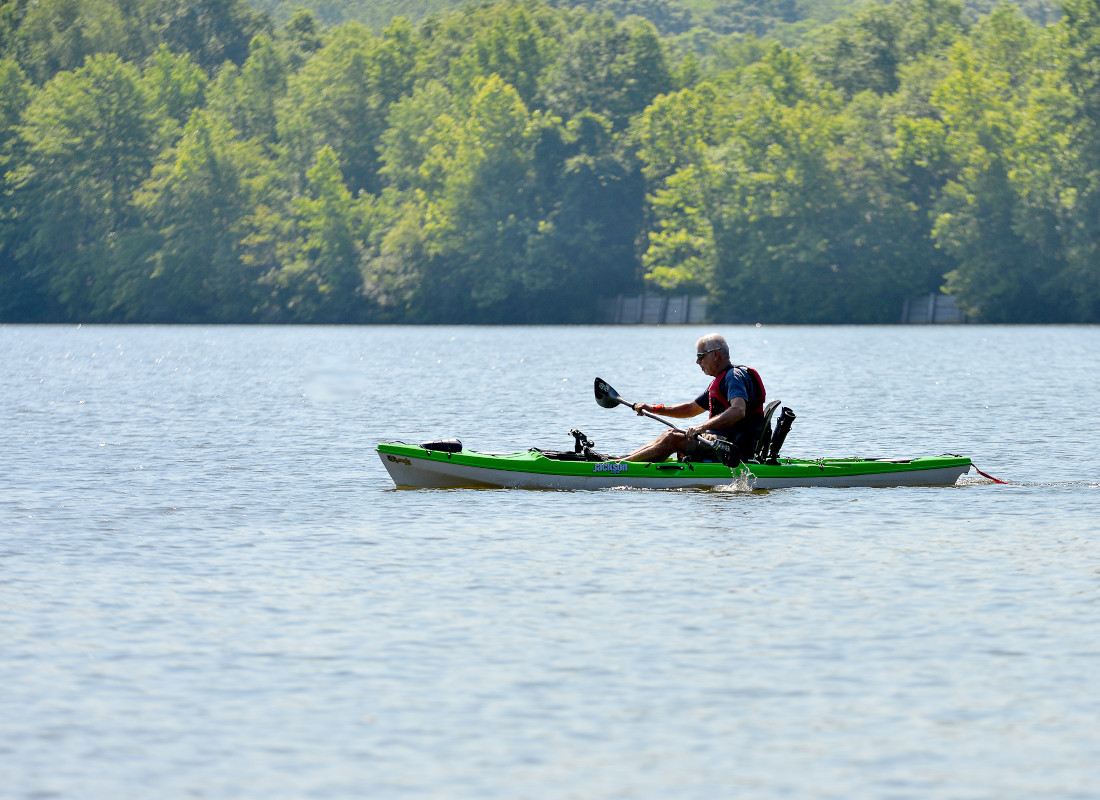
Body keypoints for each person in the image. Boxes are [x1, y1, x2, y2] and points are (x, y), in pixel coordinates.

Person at [623, 333, 766, 463]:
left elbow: (738, 410)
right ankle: (620, 459)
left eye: (700, 356)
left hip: (730, 446)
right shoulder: (721, 379)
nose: (697, 362)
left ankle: (619, 466)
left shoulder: (733, 377)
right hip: (721, 441)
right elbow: (691, 408)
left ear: (715, 354)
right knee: (671, 433)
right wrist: (653, 409)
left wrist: (701, 427)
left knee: (672, 439)